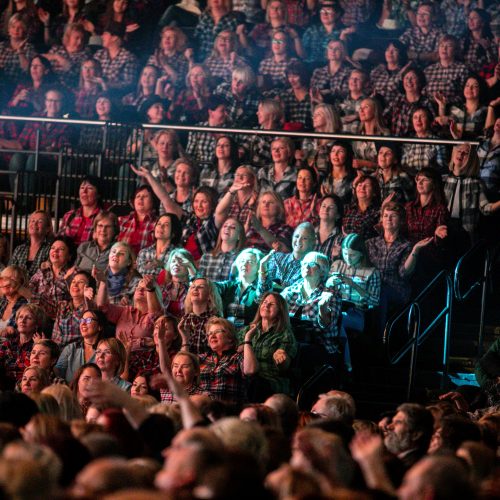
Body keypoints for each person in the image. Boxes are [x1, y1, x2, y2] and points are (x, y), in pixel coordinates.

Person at [366, 202, 434, 334]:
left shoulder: (406, 245)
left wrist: (416, 250)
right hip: (372, 289)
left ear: (401, 221)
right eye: (385, 216)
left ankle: (381, 338)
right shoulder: (371, 243)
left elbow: (404, 273)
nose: (388, 219)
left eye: (393, 216)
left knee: (382, 292)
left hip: (396, 290)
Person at [96, 274, 162, 381]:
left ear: (154, 294)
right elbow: (103, 307)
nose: (141, 290)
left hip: (143, 364)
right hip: (118, 360)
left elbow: (155, 314)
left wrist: (151, 289)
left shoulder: (157, 314)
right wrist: (103, 282)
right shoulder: (125, 311)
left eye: (145, 289)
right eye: (139, 288)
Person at [281, 251, 342, 360]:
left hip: (318, 345)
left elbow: (327, 327)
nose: (306, 266)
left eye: (312, 264)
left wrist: (322, 308)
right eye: (304, 263)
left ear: (322, 272)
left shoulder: (330, 293)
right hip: (289, 341)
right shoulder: (290, 291)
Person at [237, 292, 297, 398]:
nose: (266, 305)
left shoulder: (285, 334)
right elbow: (235, 351)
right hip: (244, 377)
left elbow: (284, 367)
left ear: (280, 311)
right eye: (264, 302)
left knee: (254, 384)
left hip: (269, 382)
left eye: (272, 304)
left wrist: (281, 358)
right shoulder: (247, 329)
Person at [443, 143, 500, 245]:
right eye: (459, 151)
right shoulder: (443, 180)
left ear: (472, 159)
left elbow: (486, 208)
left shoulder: (476, 183)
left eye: (466, 153)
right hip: (444, 229)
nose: (461, 154)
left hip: (466, 233)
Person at [328, 233, 381, 333]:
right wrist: (329, 282)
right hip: (335, 308)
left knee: (336, 320)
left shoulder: (372, 272)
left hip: (356, 313)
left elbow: (374, 301)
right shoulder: (337, 265)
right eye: (345, 253)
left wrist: (354, 285)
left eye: (352, 255)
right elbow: (325, 289)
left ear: (361, 253)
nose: (348, 258)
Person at [198, 316, 258, 404]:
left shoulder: (237, 357)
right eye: (210, 333)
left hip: (228, 410)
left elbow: (251, 370)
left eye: (217, 332)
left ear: (230, 338)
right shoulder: (203, 357)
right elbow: (179, 368)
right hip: (202, 409)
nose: (212, 335)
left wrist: (247, 339)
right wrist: (185, 340)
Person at [258, 222, 317, 293]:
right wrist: (262, 268)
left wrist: (276, 286)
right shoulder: (277, 258)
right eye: (297, 236)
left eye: (305, 238)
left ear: (313, 243)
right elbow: (261, 293)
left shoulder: (311, 268)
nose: (299, 240)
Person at [214, 247, 265, 328]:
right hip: (226, 333)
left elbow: (253, 313)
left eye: (250, 262)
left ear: (259, 267)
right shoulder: (229, 285)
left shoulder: (262, 288)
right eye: (242, 261)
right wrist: (192, 271)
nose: (244, 264)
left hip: (249, 334)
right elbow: (209, 287)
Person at [55, 309, 107, 384]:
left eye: (88, 320)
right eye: (82, 320)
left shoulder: (106, 351)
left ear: (100, 326)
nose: (83, 323)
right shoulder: (71, 348)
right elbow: (58, 373)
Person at [28, 237, 74, 318]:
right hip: (35, 316)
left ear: (69, 256)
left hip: (58, 319)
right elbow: (29, 289)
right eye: (53, 248)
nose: (55, 251)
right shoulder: (42, 271)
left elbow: (69, 305)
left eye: (61, 249)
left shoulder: (72, 275)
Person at [0, 304, 46, 387]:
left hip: (26, 387)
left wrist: (39, 346)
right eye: (20, 317)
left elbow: (39, 373)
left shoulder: (40, 345)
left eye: (28, 318)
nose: (23, 321)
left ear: (37, 324)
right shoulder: (9, 343)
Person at [384, 66, 434, 138]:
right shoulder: (397, 99)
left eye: (413, 78)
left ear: (420, 82)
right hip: (395, 142)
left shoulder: (426, 102)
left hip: (415, 144)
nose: (409, 81)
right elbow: (383, 119)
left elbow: (433, 126)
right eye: (406, 78)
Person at [92, 21, 139, 96]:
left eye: (105, 34)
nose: (102, 37)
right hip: (96, 94)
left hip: (115, 97)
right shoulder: (99, 54)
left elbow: (128, 84)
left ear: (114, 37)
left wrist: (106, 84)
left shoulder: (128, 58)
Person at [179, 277, 223, 355]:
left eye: (201, 287)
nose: (195, 289)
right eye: (192, 287)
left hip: (207, 364)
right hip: (187, 363)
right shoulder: (184, 319)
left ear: (210, 295)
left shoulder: (216, 321)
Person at [57, 176, 105, 247]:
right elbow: (59, 241)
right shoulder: (69, 215)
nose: (84, 191)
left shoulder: (104, 218)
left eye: (89, 188)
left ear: (98, 194)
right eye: (82, 188)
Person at [384, 403, 434, 469]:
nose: (389, 426)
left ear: (416, 434)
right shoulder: (397, 460)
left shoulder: (415, 467)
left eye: (398, 422)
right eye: (392, 422)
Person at [401, 107, 447, 174]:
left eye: (422, 116)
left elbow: (442, 169)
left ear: (429, 120)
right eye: (415, 117)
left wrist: (433, 163)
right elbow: (403, 166)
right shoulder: (408, 142)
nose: (418, 120)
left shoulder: (438, 142)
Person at [44, 23, 92, 88]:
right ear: (68, 37)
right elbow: (40, 58)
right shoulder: (56, 49)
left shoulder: (85, 54)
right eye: (77, 38)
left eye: (82, 39)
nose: (80, 42)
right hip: (50, 84)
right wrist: (57, 57)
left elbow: (76, 74)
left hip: (69, 88)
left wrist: (67, 65)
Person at [198, 218, 245, 282]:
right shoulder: (206, 257)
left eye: (233, 227)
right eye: (225, 226)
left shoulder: (241, 259)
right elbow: (199, 281)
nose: (227, 228)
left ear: (239, 235)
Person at [136, 213, 182, 279]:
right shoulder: (143, 252)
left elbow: (178, 279)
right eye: (159, 224)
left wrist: (163, 265)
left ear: (174, 233)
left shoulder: (178, 254)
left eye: (166, 225)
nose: (161, 226)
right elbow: (137, 278)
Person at [300, 104, 341, 176]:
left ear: (328, 117)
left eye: (318, 114)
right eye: (314, 115)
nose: (314, 117)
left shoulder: (337, 141)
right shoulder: (309, 139)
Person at [117, 185, 159, 256]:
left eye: (145, 196)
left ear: (153, 201)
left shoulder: (158, 223)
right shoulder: (122, 220)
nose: (141, 199)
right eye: (138, 196)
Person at [9, 211, 53, 278]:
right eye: (32, 221)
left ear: (47, 229)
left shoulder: (50, 249)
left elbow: (48, 276)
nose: (34, 223)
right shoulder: (19, 249)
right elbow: (9, 271)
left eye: (40, 221)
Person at [160, 248, 197, 319]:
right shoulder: (163, 288)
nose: (176, 264)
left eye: (181, 262)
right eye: (173, 261)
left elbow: (196, 285)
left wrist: (190, 267)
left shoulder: (193, 287)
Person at [370, 40, 409, 107]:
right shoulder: (377, 71)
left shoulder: (405, 73)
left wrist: (403, 72)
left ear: (401, 54)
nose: (390, 53)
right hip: (376, 107)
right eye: (387, 50)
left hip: (395, 108)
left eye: (395, 50)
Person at [342, 175, 381, 241]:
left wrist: (349, 237)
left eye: (367, 185)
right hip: (345, 247)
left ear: (374, 192)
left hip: (366, 248)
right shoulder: (347, 208)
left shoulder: (378, 212)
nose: (362, 188)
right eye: (359, 185)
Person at [320, 140, 356, 207]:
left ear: (347, 155)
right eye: (333, 151)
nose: (335, 154)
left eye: (340, 151)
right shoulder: (323, 177)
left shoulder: (354, 178)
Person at [0, 266, 29, 335]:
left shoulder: (25, 305)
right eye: (4, 278)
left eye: (11, 279)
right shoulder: (2, 301)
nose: (6, 283)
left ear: (21, 283)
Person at [315, 195, 343, 263]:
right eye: (323, 206)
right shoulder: (310, 234)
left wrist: (337, 257)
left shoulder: (341, 239)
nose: (326, 209)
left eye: (331, 207)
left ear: (338, 215)